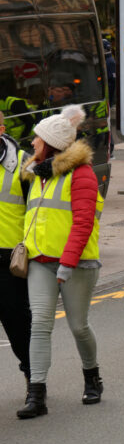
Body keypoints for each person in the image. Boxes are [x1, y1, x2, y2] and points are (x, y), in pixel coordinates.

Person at [17, 106, 103, 419]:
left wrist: (67, 264)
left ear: (51, 144)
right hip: (40, 261)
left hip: (77, 264)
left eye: (37, 140)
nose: (32, 144)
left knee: (78, 326)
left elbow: (82, 223)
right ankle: (36, 394)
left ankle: (92, 376)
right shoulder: (37, 175)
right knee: (39, 323)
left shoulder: (82, 175)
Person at [0, 113, 31, 382]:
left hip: (9, 257)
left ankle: (33, 376)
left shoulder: (22, 163)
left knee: (16, 321)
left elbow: (38, 211)